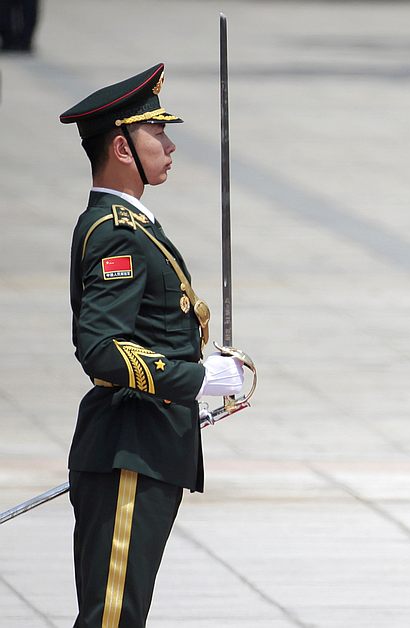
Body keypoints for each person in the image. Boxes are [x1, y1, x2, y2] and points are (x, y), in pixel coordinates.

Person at [60, 63, 247, 627]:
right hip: (129, 450)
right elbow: (100, 346)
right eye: (157, 133)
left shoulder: (132, 226)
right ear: (122, 147)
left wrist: (200, 368)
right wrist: (197, 379)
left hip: (145, 447)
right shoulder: (116, 233)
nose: (169, 146)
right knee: (112, 618)